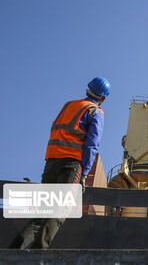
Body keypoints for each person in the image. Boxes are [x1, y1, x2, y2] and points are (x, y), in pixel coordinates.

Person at [9, 77, 111, 249]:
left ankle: (14, 251)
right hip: (71, 165)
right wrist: (84, 173)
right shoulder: (96, 112)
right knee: (60, 209)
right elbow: (92, 144)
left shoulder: (68, 106)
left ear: (87, 89)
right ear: (104, 98)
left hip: (51, 163)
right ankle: (39, 252)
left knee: (43, 212)